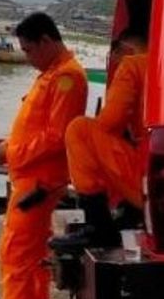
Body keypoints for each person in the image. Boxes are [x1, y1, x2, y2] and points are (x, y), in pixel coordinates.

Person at [0, 12, 87, 299]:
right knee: (30, 257)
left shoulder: (67, 78)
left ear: (46, 41)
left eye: (28, 50)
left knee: (16, 256)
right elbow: (37, 128)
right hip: (30, 177)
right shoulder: (51, 75)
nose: (26, 58)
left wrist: (10, 151)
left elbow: (57, 137)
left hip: (39, 182)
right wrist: (7, 145)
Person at [50, 31, 149, 251]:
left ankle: (97, 226)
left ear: (125, 51)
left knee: (80, 130)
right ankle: (129, 212)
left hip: (149, 180)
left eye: (115, 61)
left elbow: (109, 123)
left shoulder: (134, 65)